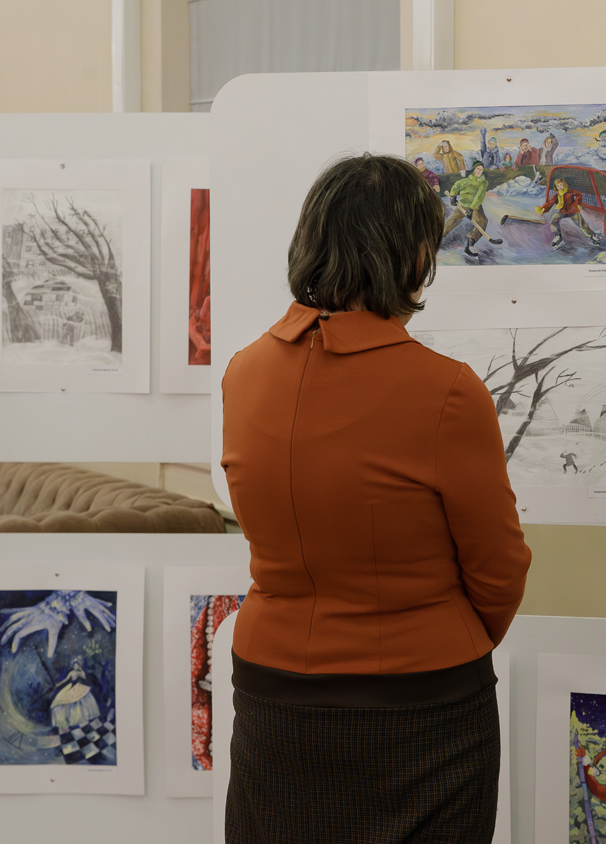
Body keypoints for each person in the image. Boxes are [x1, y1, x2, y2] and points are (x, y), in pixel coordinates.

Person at [221, 152, 531, 844]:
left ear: (309, 241)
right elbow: (499, 566)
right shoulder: (447, 390)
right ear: (415, 254)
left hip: (275, 690)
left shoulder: (243, 372)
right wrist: (443, 635)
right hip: (422, 702)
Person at [444, 160, 493, 259]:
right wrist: (453, 196)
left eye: (481, 170)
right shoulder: (465, 181)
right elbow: (456, 186)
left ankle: (469, 246)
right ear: (474, 169)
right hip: (462, 205)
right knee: (452, 220)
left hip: (475, 207)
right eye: (478, 169)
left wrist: (471, 209)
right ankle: (436, 237)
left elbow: (479, 197)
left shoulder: (483, 183)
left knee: (482, 222)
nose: (479, 171)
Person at [538, 176, 603, 249]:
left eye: (561, 185)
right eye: (557, 186)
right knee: (554, 219)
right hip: (563, 212)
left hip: (573, 211)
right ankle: (558, 236)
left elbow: (579, 194)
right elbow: (550, 202)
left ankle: (592, 236)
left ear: (564, 184)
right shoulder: (557, 195)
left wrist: (577, 203)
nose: (559, 187)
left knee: (581, 222)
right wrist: (543, 209)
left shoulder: (571, 192)